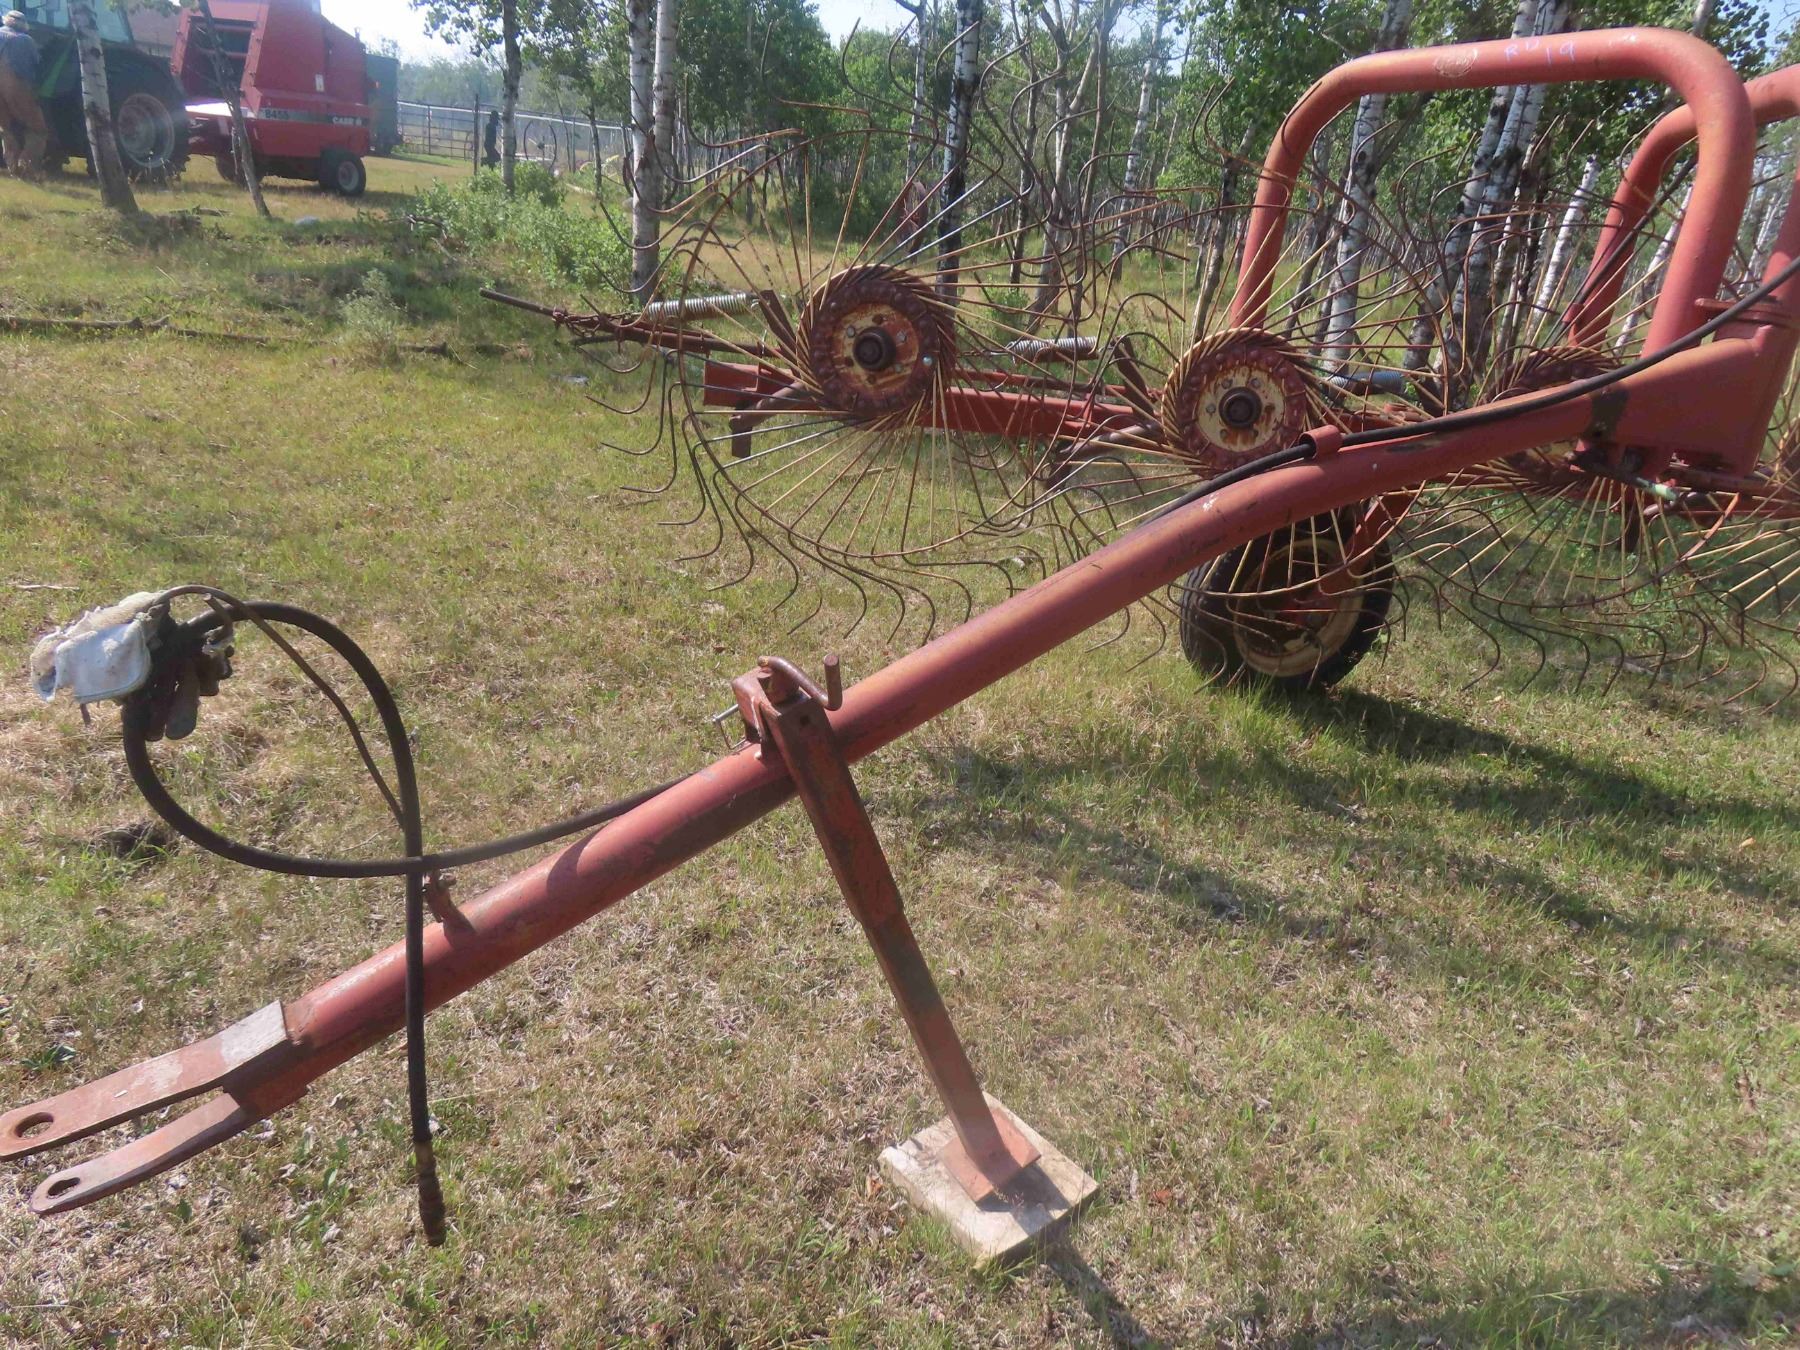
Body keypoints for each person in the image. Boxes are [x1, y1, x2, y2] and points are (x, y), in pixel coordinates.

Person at [0, 9, 47, 179]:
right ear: (24, 25)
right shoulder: (25, 40)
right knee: (38, 130)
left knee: (6, 128)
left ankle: (13, 168)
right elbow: (35, 65)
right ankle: (27, 168)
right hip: (15, 85)